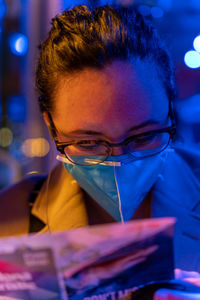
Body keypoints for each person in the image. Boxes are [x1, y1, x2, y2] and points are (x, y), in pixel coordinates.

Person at [0, 4, 200, 299]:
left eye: (143, 136)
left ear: (170, 112)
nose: (118, 162)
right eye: (89, 143)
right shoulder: (13, 220)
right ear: (51, 125)